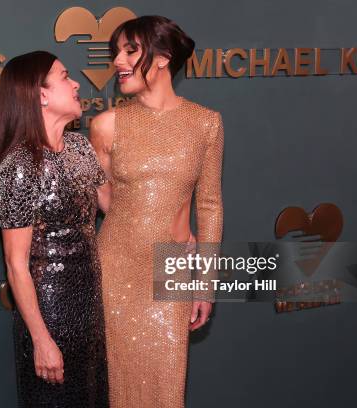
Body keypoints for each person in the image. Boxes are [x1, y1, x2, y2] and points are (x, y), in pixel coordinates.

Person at [90, 16, 224, 407]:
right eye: (117, 52)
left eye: (130, 50)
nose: (117, 60)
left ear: (164, 57)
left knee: (166, 388)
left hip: (172, 266)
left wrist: (205, 281)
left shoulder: (206, 123)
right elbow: (104, 197)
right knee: (117, 385)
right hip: (116, 265)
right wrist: (143, 225)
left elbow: (211, 205)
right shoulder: (106, 125)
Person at [0, 50, 109, 407]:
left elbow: (115, 208)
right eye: (65, 76)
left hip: (91, 308)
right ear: (41, 94)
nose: (76, 84)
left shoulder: (79, 147)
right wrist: (41, 340)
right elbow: (16, 265)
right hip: (50, 313)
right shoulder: (20, 166)